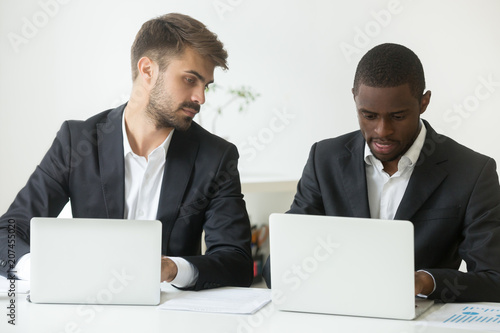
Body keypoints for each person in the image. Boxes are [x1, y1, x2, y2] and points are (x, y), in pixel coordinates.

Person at [0, 13, 253, 290]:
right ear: (147, 70)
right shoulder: (77, 142)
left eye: (205, 86)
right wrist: (45, 270)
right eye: (190, 80)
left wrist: (171, 268)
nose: (200, 98)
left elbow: (236, 262)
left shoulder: (216, 157)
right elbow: (8, 233)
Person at [263, 43, 500, 302]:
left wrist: (426, 281)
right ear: (355, 97)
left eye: (398, 117)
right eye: (369, 115)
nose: (382, 131)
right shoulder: (325, 160)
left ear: (424, 102)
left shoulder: (473, 172)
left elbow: (494, 278)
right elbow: (279, 267)